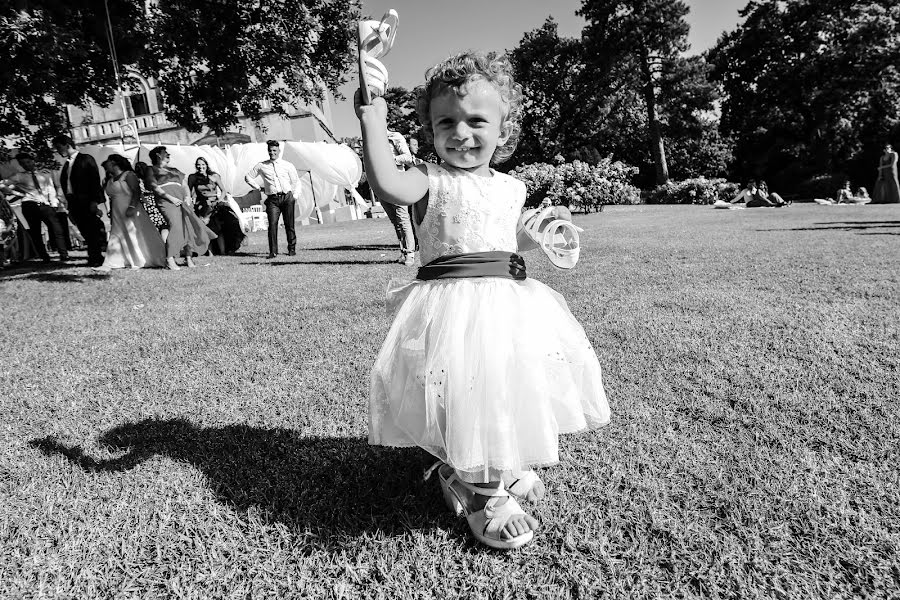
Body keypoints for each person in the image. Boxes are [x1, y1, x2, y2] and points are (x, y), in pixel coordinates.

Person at [358, 51, 610, 550]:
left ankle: (496, 461)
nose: (461, 132)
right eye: (445, 121)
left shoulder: (512, 186)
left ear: (503, 128)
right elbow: (385, 183)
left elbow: (502, 236)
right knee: (464, 390)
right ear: (430, 130)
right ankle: (480, 493)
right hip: (453, 307)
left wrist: (539, 235)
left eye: (477, 120)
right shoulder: (428, 180)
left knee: (505, 383)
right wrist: (373, 115)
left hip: (510, 304)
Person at [144, 146, 215, 270]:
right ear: (157, 155)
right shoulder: (151, 169)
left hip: (182, 200)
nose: (168, 155)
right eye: (165, 153)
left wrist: (187, 196)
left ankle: (188, 258)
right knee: (176, 226)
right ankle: (169, 259)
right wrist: (170, 198)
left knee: (188, 227)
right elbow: (154, 186)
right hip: (167, 201)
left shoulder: (174, 170)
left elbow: (184, 184)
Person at [94, 154, 165, 271]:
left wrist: (132, 206)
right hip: (117, 210)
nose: (106, 166)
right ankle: (111, 262)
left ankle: (142, 259)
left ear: (114, 163)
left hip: (130, 207)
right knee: (116, 234)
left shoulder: (129, 175)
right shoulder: (110, 179)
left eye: (108, 163)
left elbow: (136, 192)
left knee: (135, 233)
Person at [0, 151, 68, 263]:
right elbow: (2, 184)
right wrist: (16, 193)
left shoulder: (44, 174)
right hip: (29, 204)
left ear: (33, 161)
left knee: (57, 229)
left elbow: (50, 189)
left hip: (45, 205)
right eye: (23, 163)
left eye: (27, 162)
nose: (26, 165)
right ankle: (44, 256)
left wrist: (54, 204)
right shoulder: (19, 176)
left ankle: (64, 254)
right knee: (35, 232)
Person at [52, 134, 105, 266]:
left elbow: (94, 180)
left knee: (92, 229)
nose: (58, 151)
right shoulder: (66, 165)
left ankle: (96, 257)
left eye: (59, 147)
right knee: (83, 229)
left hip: (86, 200)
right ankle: (93, 255)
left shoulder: (85, 159)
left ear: (67, 145)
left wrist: (94, 201)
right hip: (73, 202)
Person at [244, 140, 300, 259]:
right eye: (270, 150)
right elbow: (248, 177)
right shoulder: (262, 165)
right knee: (272, 225)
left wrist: (294, 196)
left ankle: (292, 249)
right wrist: (258, 188)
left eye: (274, 150)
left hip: (287, 197)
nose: (272, 152)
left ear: (279, 151)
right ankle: (273, 252)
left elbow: (296, 181)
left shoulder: (287, 165)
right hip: (272, 200)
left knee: (289, 224)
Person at [190, 157, 245, 255]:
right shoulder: (193, 177)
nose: (200, 167)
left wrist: (219, 200)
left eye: (203, 164)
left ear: (206, 165)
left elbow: (223, 190)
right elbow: (189, 192)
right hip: (201, 206)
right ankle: (210, 252)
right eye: (198, 165)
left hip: (215, 206)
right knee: (205, 229)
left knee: (218, 229)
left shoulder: (214, 176)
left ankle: (223, 251)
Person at [381, 130, 418, 266]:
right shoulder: (372, 140)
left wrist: (390, 162)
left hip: (396, 181)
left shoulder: (394, 136)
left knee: (402, 218)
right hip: (381, 184)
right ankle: (403, 252)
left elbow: (408, 157)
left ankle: (410, 254)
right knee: (395, 221)